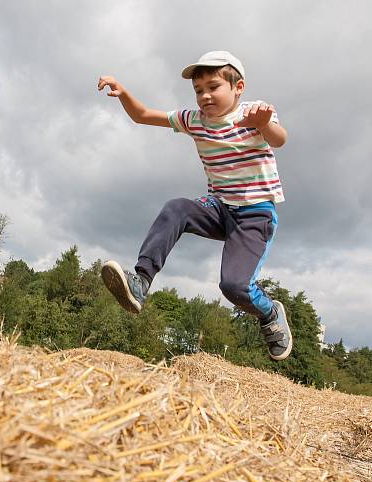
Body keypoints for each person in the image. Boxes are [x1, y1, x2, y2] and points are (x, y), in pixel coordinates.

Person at [97, 50, 293, 361]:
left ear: (237, 87)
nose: (204, 95)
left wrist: (265, 124)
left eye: (213, 87)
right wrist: (123, 93)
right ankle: (140, 282)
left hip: (255, 215)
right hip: (219, 207)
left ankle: (269, 313)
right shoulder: (194, 120)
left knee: (234, 286)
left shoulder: (255, 113)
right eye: (198, 90)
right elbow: (143, 115)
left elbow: (279, 139)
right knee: (177, 208)